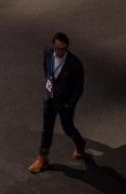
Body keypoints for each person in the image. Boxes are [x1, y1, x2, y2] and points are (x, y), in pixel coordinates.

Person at [29, 32, 86, 174]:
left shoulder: (74, 64)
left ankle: (80, 143)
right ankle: (43, 158)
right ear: (53, 46)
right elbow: (47, 69)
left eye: (63, 49)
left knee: (68, 128)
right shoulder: (48, 52)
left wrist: (69, 104)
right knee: (46, 129)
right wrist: (49, 84)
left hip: (65, 103)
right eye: (57, 48)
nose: (60, 52)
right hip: (50, 99)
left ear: (67, 47)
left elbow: (78, 88)